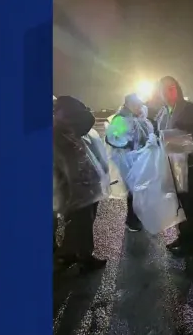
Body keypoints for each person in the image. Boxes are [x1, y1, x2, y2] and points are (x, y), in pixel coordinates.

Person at [156, 76, 193, 257]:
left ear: (178, 89)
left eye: (171, 88)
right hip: (172, 164)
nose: (167, 92)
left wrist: (175, 140)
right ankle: (183, 236)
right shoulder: (164, 112)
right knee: (178, 202)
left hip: (189, 165)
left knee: (190, 203)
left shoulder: (190, 109)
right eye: (163, 89)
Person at [53, 96, 107, 272]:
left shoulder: (68, 130)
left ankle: (69, 254)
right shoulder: (57, 133)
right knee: (81, 221)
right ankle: (82, 257)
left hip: (79, 184)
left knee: (78, 221)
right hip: (73, 186)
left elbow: (87, 121)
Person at [105, 93, 154, 232]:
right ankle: (132, 220)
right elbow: (113, 138)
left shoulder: (139, 117)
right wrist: (128, 143)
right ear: (128, 104)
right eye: (136, 105)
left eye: (140, 104)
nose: (139, 107)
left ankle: (138, 216)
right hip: (127, 160)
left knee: (141, 189)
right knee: (134, 190)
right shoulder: (120, 119)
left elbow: (146, 133)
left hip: (140, 158)